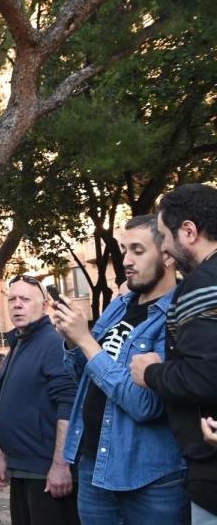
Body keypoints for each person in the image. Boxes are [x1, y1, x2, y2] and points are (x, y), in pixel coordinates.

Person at [53, 215, 186, 524]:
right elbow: (85, 378)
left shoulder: (176, 314)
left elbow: (145, 405)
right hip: (93, 465)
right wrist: (72, 340)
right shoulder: (119, 306)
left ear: (167, 253)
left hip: (150, 478)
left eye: (137, 250)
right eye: (124, 250)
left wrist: (86, 340)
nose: (126, 260)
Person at [129, 184, 217, 522]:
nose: (164, 247)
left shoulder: (202, 283)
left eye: (164, 235)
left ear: (189, 232)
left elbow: (206, 376)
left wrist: (151, 373)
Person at [0, 275, 79, 525]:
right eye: (12, 299)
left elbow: (69, 404)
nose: (16, 305)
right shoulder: (18, 345)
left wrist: (61, 465)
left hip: (45, 475)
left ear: (44, 306)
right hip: (20, 470)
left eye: (25, 299)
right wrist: (2, 455)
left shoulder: (53, 343)